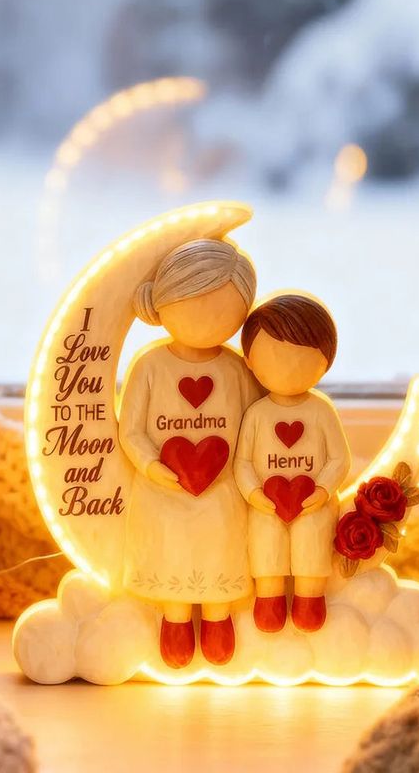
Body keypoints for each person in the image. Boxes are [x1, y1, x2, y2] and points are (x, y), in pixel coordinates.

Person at [118, 239, 261, 669]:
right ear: (165, 301)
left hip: (223, 491)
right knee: (172, 552)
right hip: (163, 492)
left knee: (219, 548)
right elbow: (132, 429)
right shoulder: (149, 367)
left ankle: (219, 618)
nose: (208, 318)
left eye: (224, 310)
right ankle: (174, 619)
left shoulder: (236, 370)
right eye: (195, 301)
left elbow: (256, 424)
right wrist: (151, 464)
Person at [234, 293, 351, 633]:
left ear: (325, 360)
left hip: (313, 502)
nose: (286, 369)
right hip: (266, 504)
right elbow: (242, 461)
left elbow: (338, 457)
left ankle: (310, 598)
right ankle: (268, 598)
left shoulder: (321, 410)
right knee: (266, 540)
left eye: (300, 359)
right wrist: (254, 492)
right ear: (250, 361)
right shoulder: (257, 414)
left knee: (311, 540)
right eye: (273, 359)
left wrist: (323, 489)